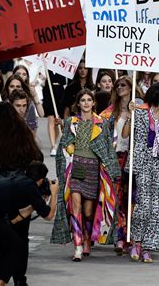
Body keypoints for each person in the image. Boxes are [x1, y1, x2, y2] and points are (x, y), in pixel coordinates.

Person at [51, 89, 120, 261]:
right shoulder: (70, 122)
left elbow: (108, 149)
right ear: (78, 103)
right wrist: (64, 162)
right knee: (75, 206)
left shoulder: (101, 123)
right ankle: (78, 246)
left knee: (89, 212)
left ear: (94, 103)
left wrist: (113, 171)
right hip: (75, 169)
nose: (87, 103)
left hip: (93, 171)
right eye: (83, 100)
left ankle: (88, 238)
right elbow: (63, 147)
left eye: (89, 99)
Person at [0, 102, 57, 286]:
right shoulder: (25, 139)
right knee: (20, 239)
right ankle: (19, 278)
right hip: (21, 196)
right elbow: (37, 161)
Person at [128, 82, 159, 263]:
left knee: (157, 208)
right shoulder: (140, 111)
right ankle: (137, 242)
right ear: (158, 94)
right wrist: (129, 114)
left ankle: (149, 246)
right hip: (143, 161)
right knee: (143, 205)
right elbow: (126, 134)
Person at [100, 76, 136, 256]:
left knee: (131, 199)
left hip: (134, 158)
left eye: (123, 85)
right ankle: (119, 238)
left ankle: (131, 236)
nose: (120, 88)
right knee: (117, 198)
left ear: (131, 87)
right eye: (117, 86)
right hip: (115, 158)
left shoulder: (139, 108)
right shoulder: (109, 112)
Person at [42, 71, 66, 156]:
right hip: (48, 91)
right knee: (51, 119)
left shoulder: (63, 66)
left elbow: (66, 81)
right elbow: (42, 79)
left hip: (60, 93)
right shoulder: (47, 65)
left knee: (57, 120)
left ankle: (55, 142)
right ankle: (53, 146)